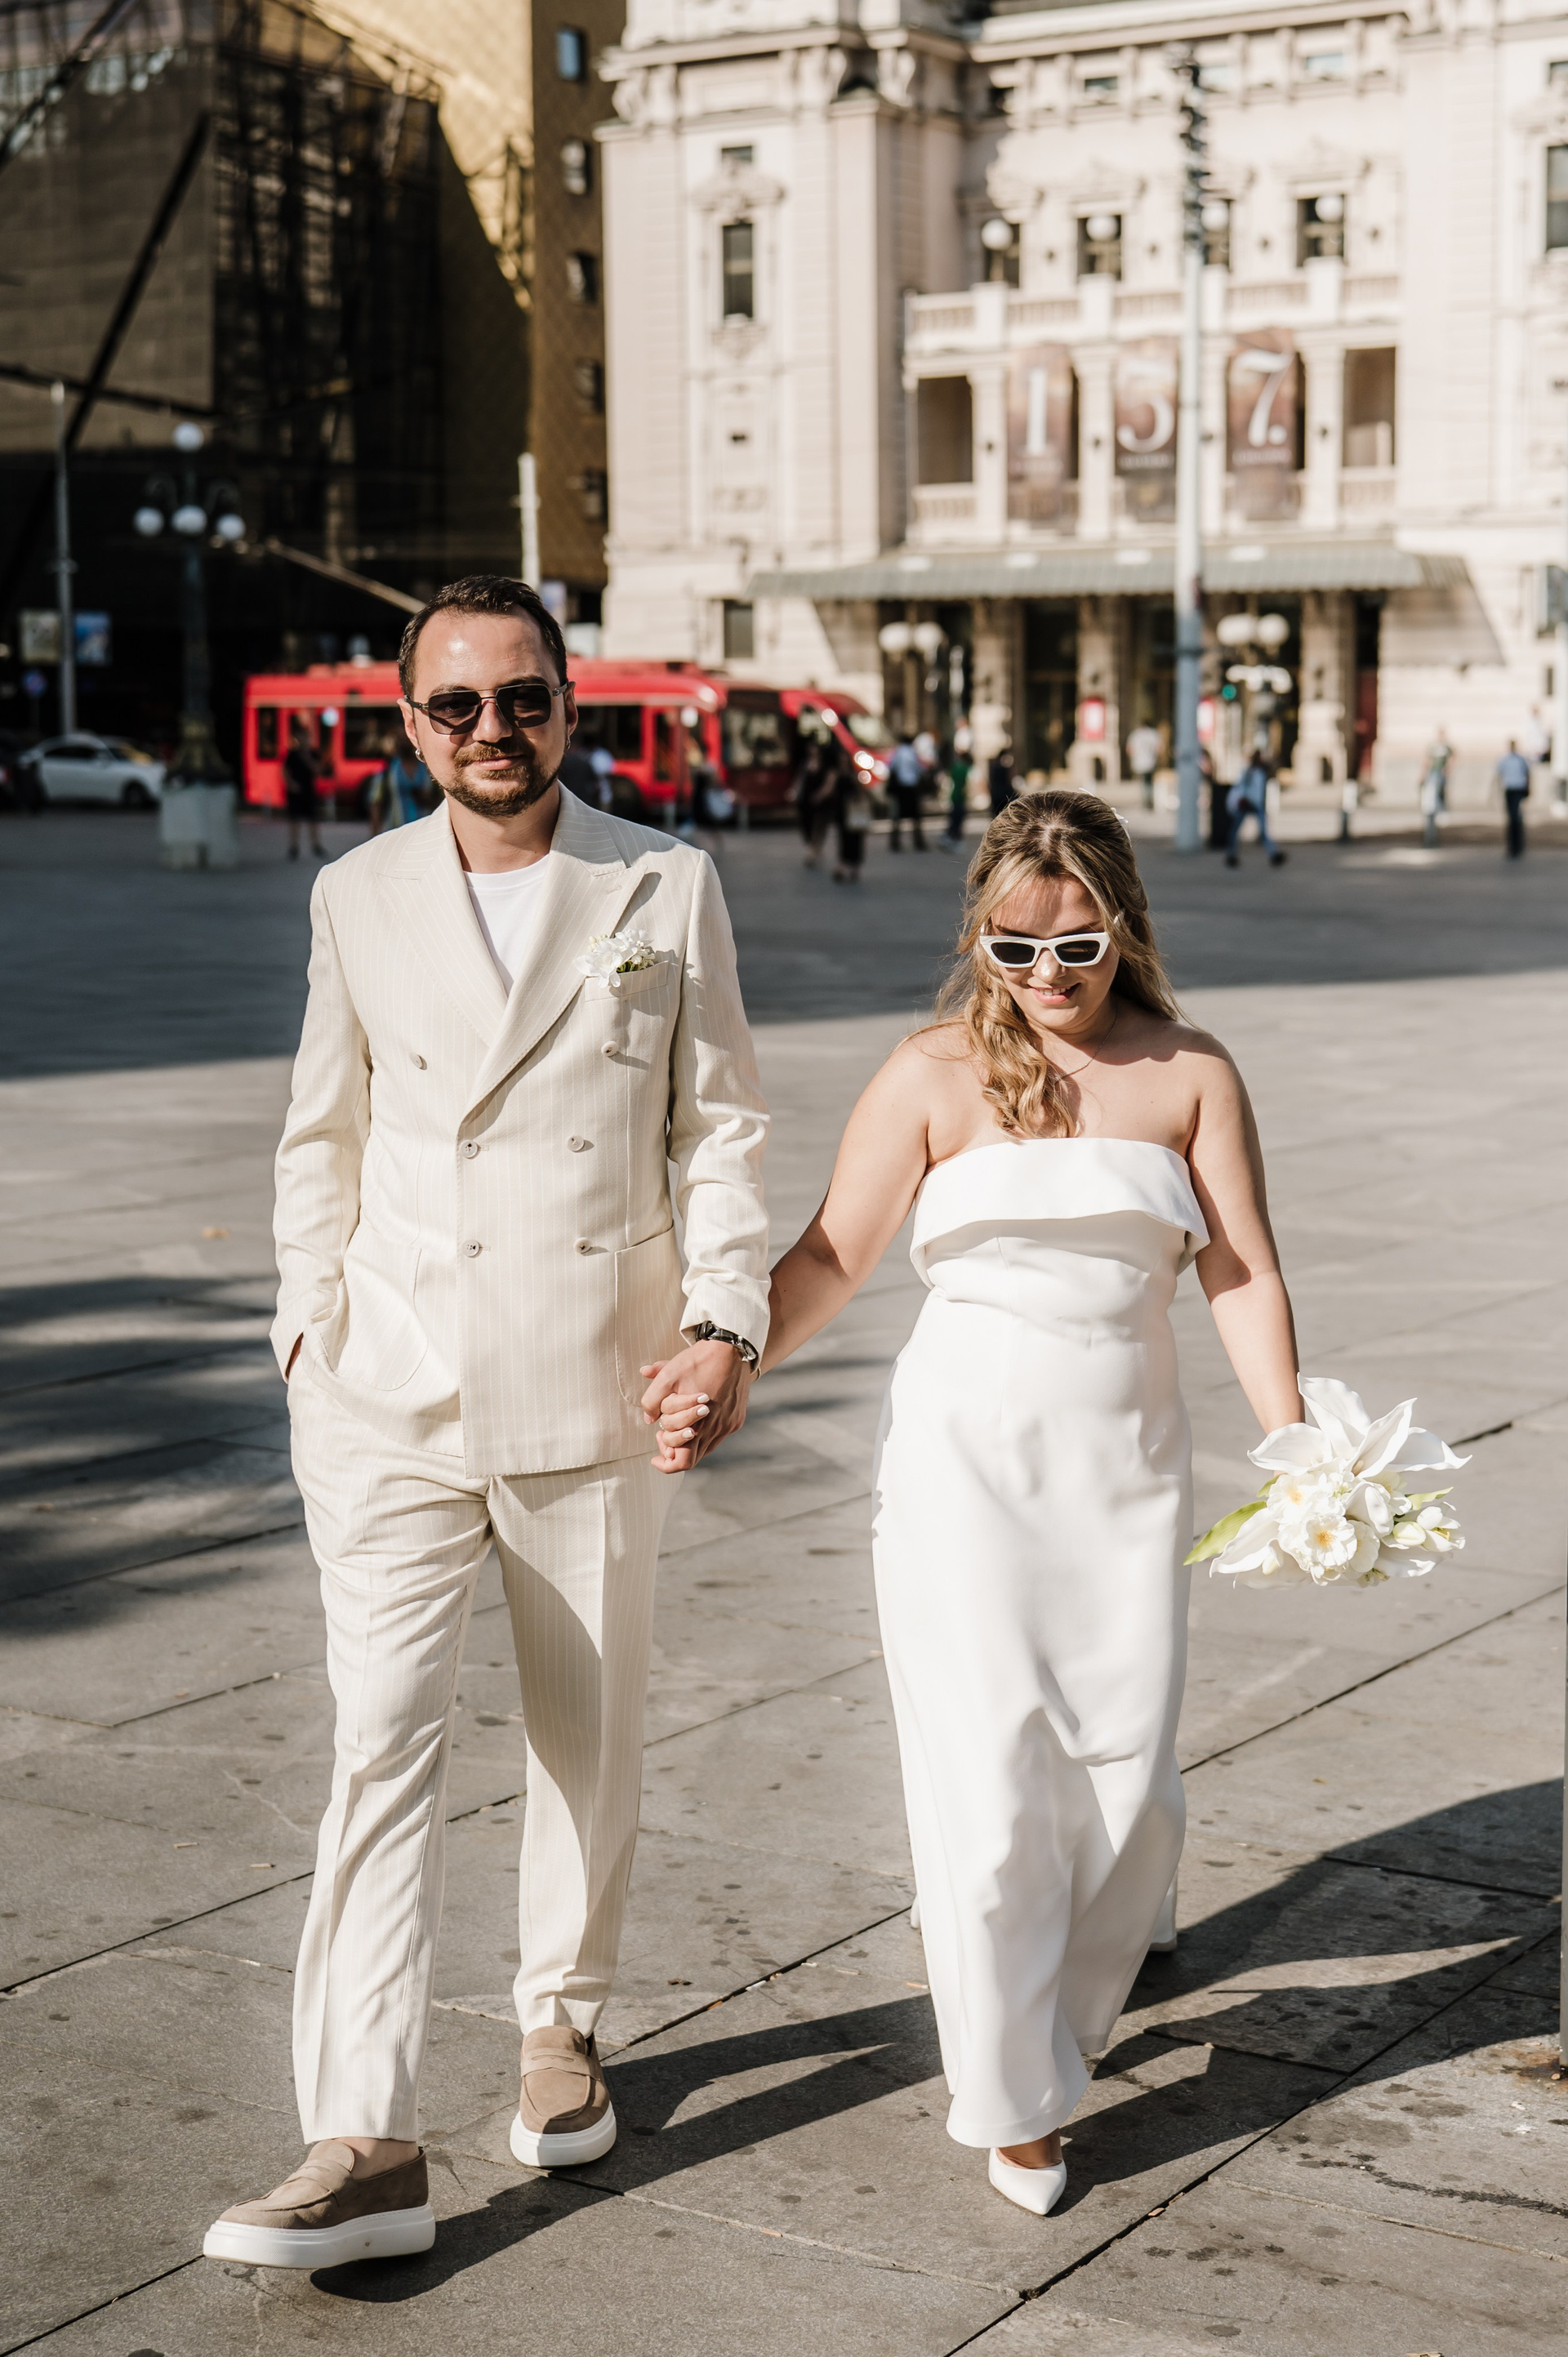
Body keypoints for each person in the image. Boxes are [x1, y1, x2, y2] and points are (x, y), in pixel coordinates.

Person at [203, 575, 770, 2271]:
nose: (492, 729)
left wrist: (725, 1320)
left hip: (595, 1374)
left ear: (567, 706)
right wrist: (306, 1327)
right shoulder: (357, 892)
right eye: (456, 704)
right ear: (412, 724)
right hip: (386, 1387)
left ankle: (559, 2021)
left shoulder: (664, 881)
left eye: (522, 697)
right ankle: (361, 2139)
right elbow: (321, 1131)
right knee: (379, 1741)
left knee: (583, 1739)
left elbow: (720, 1127)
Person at [653, 788, 1301, 2220]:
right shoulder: (932, 1074)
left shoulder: (1190, 1070)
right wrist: (728, 1348)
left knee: (1129, 1789)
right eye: (1015, 949)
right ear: (978, 941)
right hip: (962, 1472)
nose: (1047, 976)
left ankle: (1063, 2010)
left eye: (1077, 945)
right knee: (992, 1791)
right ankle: (1015, 2099)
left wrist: (1296, 1440)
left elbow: (1240, 1267)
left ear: (1125, 926)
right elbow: (831, 1253)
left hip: (1126, 1470)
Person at [1225, 755, 1286, 869]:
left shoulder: (1259, 773)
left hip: (1255, 804)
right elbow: (1241, 787)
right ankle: (1231, 854)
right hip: (1247, 803)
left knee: (1262, 831)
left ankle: (1273, 853)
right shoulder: (1249, 772)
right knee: (1235, 830)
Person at [365, 733, 430, 834]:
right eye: (400, 740)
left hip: (425, 832)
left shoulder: (428, 769)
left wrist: (426, 800)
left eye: (406, 740)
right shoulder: (388, 770)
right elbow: (376, 802)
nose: (404, 743)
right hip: (397, 832)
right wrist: (375, 833)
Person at [283, 721, 324, 862]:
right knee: (294, 820)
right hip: (295, 792)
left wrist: (307, 757)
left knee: (313, 820)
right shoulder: (292, 754)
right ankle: (294, 847)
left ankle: (316, 845)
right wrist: (290, 784)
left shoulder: (313, 753)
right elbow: (285, 771)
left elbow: (318, 770)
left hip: (309, 790)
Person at [830, 751, 871, 883]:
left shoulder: (853, 775)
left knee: (855, 839)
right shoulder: (836, 775)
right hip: (841, 811)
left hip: (853, 810)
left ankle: (854, 865)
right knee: (844, 839)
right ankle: (844, 864)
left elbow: (861, 790)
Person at [888, 732, 929, 851]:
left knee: (897, 817)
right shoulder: (912, 752)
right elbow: (920, 769)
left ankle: (895, 843)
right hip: (912, 788)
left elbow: (891, 767)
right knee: (916, 817)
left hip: (900, 788)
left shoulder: (898, 752)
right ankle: (918, 842)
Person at [794, 745, 831, 867]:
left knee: (819, 825)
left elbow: (829, 781)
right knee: (807, 824)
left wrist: (821, 794)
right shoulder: (805, 764)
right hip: (806, 799)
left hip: (820, 801)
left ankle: (813, 850)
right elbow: (800, 780)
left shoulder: (825, 766)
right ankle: (813, 848)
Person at [1496, 737, 1531, 858]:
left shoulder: (1520, 759)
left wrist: (1528, 788)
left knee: (1516, 817)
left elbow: (1527, 773)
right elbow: (1499, 775)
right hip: (1510, 789)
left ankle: (1517, 845)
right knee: (1512, 818)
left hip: (1518, 789)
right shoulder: (1505, 759)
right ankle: (1513, 846)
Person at [1126, 719, 1161, 812]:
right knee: (1149, 782)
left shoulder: (1136, 734)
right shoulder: (1153, 734)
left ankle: (1146, 801)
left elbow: (1130, 749)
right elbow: (1158, 749)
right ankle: (1149, 800)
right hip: (1151, 762)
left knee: (1144, 782)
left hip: (1139, 762)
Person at [942, 742, 973, 850]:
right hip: (961, 796)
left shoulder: (955, 768)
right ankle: (955, 840)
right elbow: (968, 784)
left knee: (953, 818)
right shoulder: (966, 770)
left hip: (954, 795)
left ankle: (948, 838)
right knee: (959, 820)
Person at [988, 742, 1016, 818]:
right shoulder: (1003, 769)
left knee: (996, 816)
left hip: (996, 795)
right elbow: (1008, 783)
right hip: (1002, 796)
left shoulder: (994, 767)